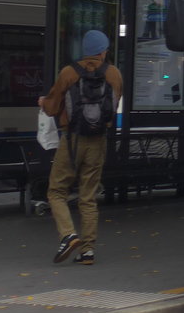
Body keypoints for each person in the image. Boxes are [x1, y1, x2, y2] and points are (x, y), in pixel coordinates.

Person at [38, 29, 123, 266]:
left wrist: (44, 102)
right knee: (88, 196)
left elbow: (53, 107)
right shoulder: (114, 73)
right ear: (103, 50)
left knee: (56, 191)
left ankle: (68, 234)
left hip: (71, 139)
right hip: (98, 140)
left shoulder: (68, 72)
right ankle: (87, 251)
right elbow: (113, 105)